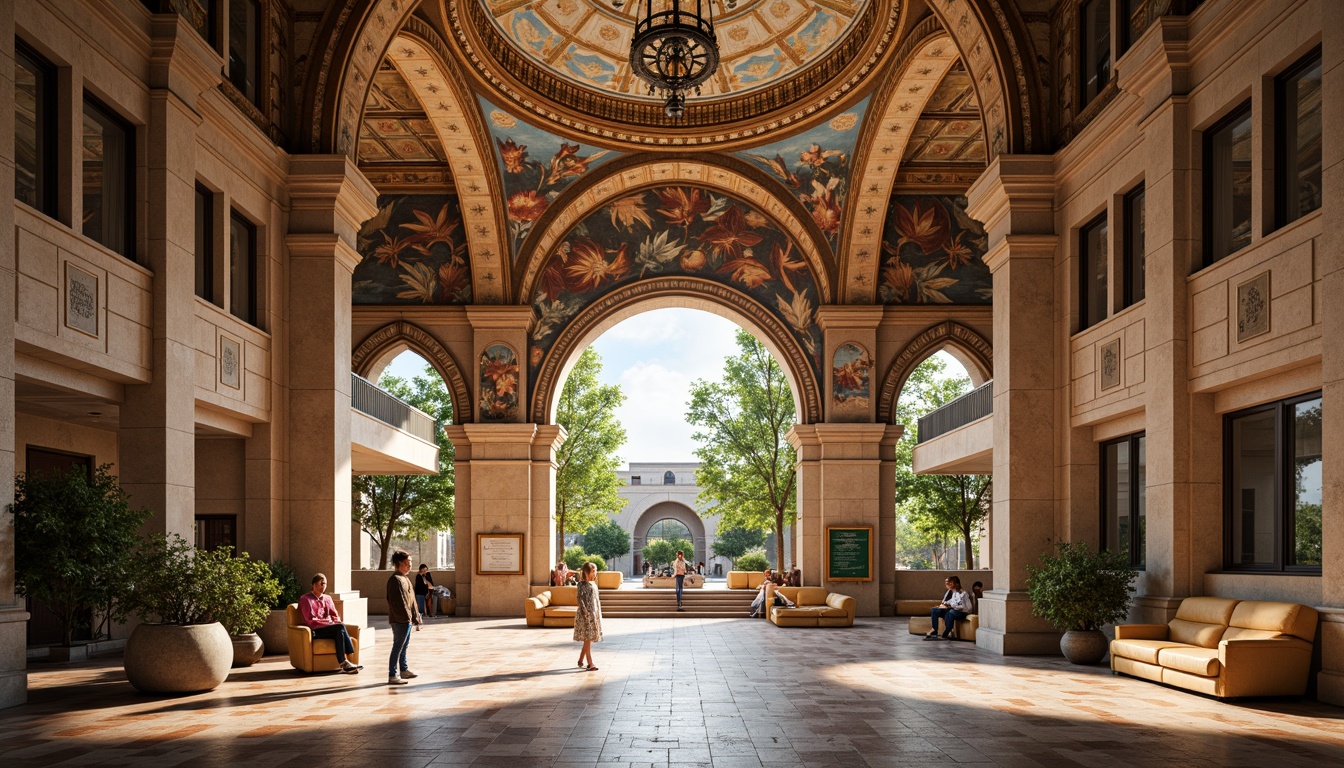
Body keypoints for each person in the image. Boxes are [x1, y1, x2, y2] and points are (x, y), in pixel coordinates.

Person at [298, 573, 361, 673]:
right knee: (339, 628)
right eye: (321, 583)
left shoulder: (328, 598)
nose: (324, 586)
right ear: (313, 585)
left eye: (325, 584)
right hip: (316, 630)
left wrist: (335, 622)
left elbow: (335, 616)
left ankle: (345, 663)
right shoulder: (305, 599)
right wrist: (328, 622)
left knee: (340, 627)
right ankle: (346, 659)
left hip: (330, 628)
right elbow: (310, 620)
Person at [386, 550, 422, 684]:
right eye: (407, 563)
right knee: (398, 646)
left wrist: (416, 616)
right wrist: (407, 618)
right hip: (400, 620)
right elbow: (398, 602)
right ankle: (392, 674)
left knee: (404, 646)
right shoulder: (395, 580)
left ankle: (404, 670)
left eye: (410, 562)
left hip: (407, 620)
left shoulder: (405, 578)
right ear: (399, 563)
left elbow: (412, 601)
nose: (409, 565)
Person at [574, 562, 604, 671]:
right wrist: (586, 613)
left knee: (588, 638)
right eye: (593, 571)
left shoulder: (593, 584)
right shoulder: (581, 585)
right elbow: (580, 600)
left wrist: (596, 614)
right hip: (585, 615)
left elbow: (596, 601)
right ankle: (590, 663)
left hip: (594, 614)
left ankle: (580, 660)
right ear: (586, 572)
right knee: (588, 638)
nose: (595, 573)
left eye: (596, 570)